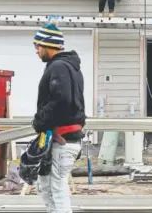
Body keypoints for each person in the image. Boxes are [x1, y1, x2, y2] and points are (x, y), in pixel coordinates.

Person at [32, 21, 86, 213]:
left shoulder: (59, 67)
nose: (36, 51)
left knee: (57, 190)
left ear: (48, 44)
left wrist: (39, 121)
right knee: (47, 186)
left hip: (62, 139)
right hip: (64, 139)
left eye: (37, 45)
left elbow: (61, 101)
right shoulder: (70, 67)